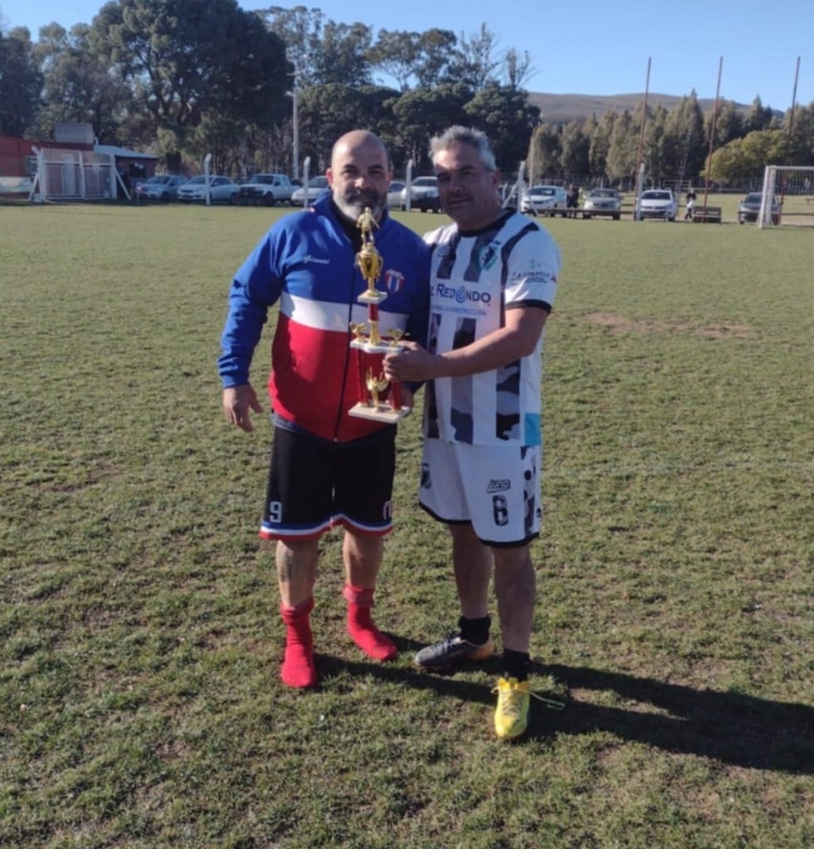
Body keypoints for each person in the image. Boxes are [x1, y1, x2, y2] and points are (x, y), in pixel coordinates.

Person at [219, 130, 430, 689]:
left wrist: (413, 378)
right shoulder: (292, 233)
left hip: (372, 423)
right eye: (352, 170)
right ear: (330, 177)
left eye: (377, 170)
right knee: (299, 536)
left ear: (391, 178)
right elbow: (247, 296)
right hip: (301, 420)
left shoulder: (410, 249)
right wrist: (232, 376)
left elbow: (426, 332)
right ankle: (299, 638)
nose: (365, 182)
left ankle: (360, 618)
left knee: (368, 529)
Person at [384, 126, 562, 740]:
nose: (453, 186)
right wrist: (402, 376)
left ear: (494, 176)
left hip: (505, 426)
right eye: (443, 176)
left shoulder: (528, 242)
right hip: (445, 424)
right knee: (462, 531)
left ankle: (515, 673)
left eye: (465, 173)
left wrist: (430, 367)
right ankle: (473, 636)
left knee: (509, 547)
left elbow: (521, 337)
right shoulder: (435, 244)